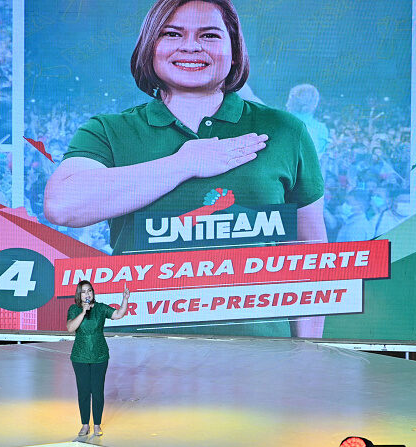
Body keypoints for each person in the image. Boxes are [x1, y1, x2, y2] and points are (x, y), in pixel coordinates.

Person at [46, 0, 326, 337]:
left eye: (209, 35)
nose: (191, 46)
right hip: (139, 359)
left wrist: (309, 352)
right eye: (171, 34)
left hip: (261, 360)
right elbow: (62, 205)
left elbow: (310, 250)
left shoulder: (285, 130)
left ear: (234, 50)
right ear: (150, 47)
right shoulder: (108, 131)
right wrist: (185, 163)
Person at [66, 281, 130, 437]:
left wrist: (125, 300)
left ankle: (97, 425)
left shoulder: (101, 308)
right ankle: (84, 425)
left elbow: (118, 314)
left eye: (90, 291)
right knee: (83, 392)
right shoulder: (74, 309)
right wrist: (83, 312)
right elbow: (70, 328)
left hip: (99, 355)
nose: (87, 294)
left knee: (97, 391)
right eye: (84, 292)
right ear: (79, 295)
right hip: (80, 356)